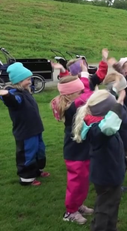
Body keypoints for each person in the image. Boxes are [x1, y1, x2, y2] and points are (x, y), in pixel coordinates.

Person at [71, 90, 126, 231]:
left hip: (111, 173)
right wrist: (118, 104)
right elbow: (109, 127)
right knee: (104, 208)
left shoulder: (100, 125)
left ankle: (110, 228)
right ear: (107, 111)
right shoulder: (98, 130)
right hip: (106, 175)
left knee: (112, 204)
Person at [51, 68, 94, 224]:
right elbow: (88, 95)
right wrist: (84, 76)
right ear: (70, 94)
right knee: (76, 182)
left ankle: (78, 205)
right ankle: (70, 212)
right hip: (74, 151)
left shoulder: (73, 102)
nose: (82, 94)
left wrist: (83, 74)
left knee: (84, 180)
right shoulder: (72, 108)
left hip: (82, 148)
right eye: (79, 92)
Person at [0, 62, 49, 186]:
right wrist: (7, 96)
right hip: (26, 132)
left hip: (36, 129)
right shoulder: (15, 95)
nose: (30, 81)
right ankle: (26, 178)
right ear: (19, 81)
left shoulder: (25, 92)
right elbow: (14, 102)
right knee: (28, 153)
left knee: (39, 150)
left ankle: (37, 170)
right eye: (27, 79)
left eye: (30, 78)